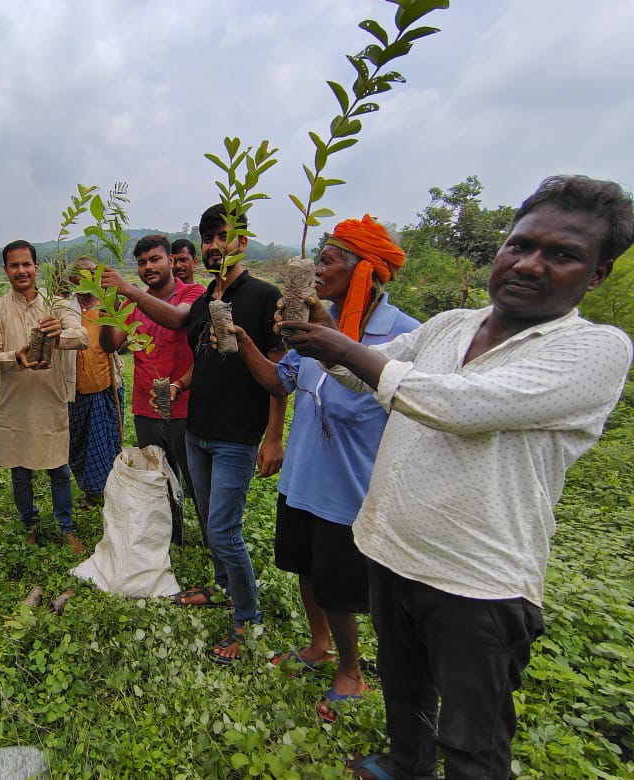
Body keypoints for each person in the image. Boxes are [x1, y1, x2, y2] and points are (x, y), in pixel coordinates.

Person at [281, 175, 634, 780]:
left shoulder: (594, 349)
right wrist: (327, 340)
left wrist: (343, 348)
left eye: (562, 254)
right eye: (520, 245)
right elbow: (367, 374)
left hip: (476, 580)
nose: (529, 263)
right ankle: (404, 763)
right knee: (403, 688)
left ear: (596, 275)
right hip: (391, 549)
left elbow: (459, 406)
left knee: (474, 739)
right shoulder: (452, 324)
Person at [231, 216, 418, 721]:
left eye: (330, 260)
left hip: (350, 486)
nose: (318, 269)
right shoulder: (312, 328)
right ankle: (319, 647)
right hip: (305, 478)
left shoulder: (403, 335)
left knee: (339, 587)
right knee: (306, 572)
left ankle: (351, 672)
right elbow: (280, 382)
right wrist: (244, 341)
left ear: (364, 272)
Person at [171, 204, 287, 664]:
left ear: (241, 241)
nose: (214, 245)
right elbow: (204, 362)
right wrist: (181, 384)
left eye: (224, 235)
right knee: (206, 517)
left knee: (224, 527)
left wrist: (273, 437)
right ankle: (221, 586)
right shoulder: (203, 302)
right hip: (197, 429)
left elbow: (280, 374)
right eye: (208, 237)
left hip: (237, 435)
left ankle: (247, 618)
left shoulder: (263, 296)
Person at [0, 240, 89, 554]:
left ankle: (64, 526)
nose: (21, 270)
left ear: (36, 267)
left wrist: (59, 335)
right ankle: (30, 524)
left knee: (59, 469)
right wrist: (16, 355)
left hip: (50, 399)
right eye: (14, 265)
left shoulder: (57, 304)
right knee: (20, 471)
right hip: (14, 404)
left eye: (26, 264)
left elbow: (81, 337)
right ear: (6, 271)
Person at [99, 234, 206, 545]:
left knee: (196, 479)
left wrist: (129, 291)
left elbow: (176, 320)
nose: (148, 267)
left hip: (186, 407)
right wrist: (109, 308)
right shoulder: (135, 304)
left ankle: (214, 543)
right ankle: (172, 539)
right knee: (159, 478)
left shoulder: (193, 292)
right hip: (146, 409)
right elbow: (111, 345)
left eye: (155, 259)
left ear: (171, 261)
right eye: (142, 262)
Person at [67, 257, 122, 507]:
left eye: (93, 272)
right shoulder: (66, 307)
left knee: (107, 439)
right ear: (73, 279)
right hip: (75, 389)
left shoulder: (107, 302)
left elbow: (122, 338)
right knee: (79, 444)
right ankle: (89, 489)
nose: (89, 277)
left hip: (105, 385)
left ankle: (109, 487)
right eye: (83, 273)